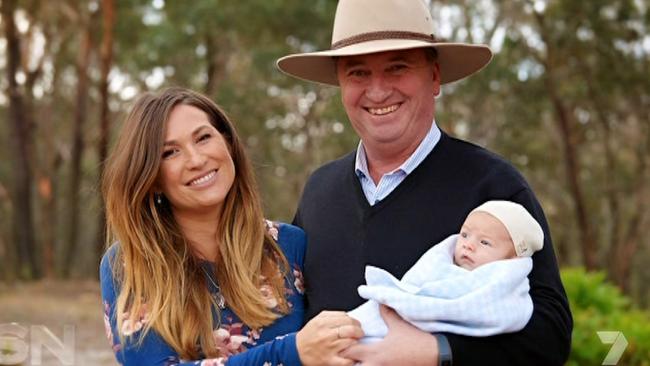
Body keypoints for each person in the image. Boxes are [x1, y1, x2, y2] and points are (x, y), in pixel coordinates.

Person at [276, 0, 573, 365]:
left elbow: (551, 334)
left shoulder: (494, 187)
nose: (378, 90)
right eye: (357, 73)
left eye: (397, 67)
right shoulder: (319, 191)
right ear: (340, 83)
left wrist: (438, 352)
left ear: (434, 78)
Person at [99, 87, 362, 366]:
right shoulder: (129, 264)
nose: (197, 160)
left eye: (203, 138)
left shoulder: (289, 246)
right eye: (170, 152)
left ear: (228, 144)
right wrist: (292, 352)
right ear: (151, 179)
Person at [350, 200, 544, 342]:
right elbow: (415, 288)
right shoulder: (441, 266)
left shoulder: (501, 289)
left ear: (513, 258)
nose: (468, 245)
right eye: (465, 235)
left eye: (484, 242)